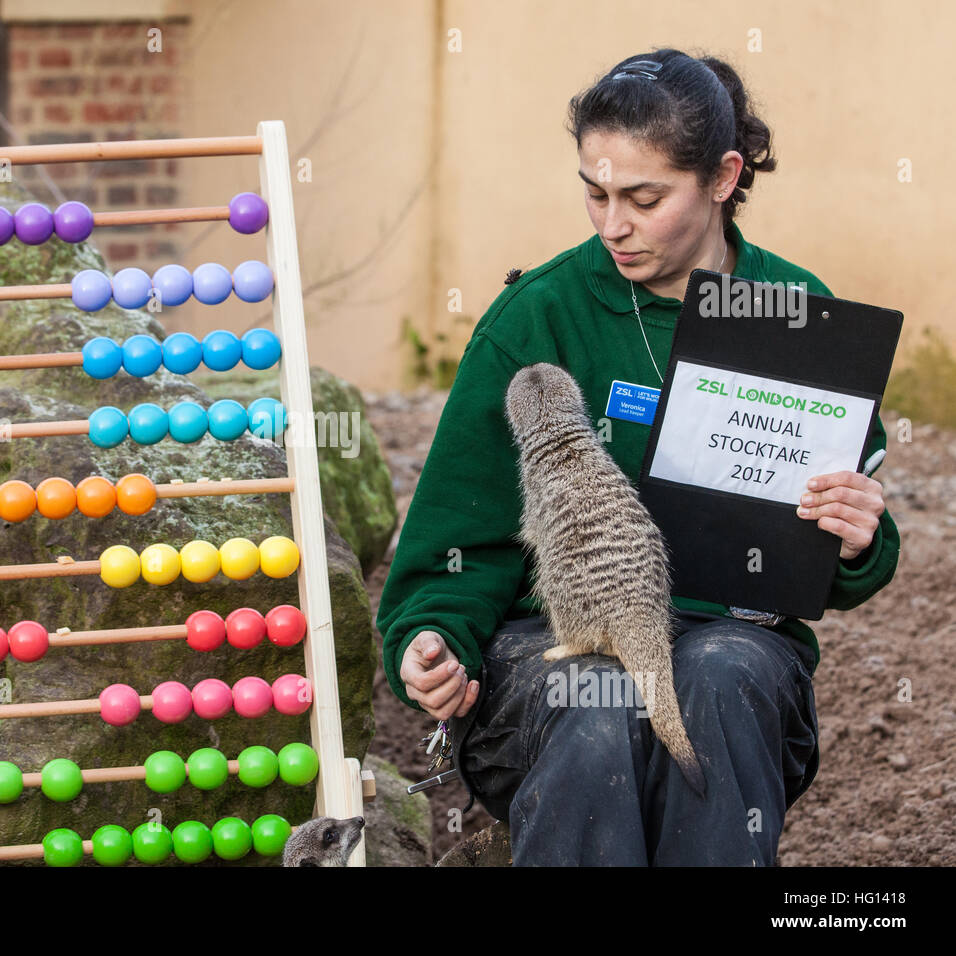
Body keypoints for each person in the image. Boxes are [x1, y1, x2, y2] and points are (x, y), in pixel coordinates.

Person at [376, 48, 900, 866]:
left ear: (723, 177)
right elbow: (453, 546)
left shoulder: (799, 312)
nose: (612, 224)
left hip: (732, 642)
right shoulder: (536, 317)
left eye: (644, 198)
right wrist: (431, 637)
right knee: (597, 701)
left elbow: (849, 554)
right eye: (595, 193)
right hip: (551, 643)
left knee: (720, 679)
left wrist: (860, 534)